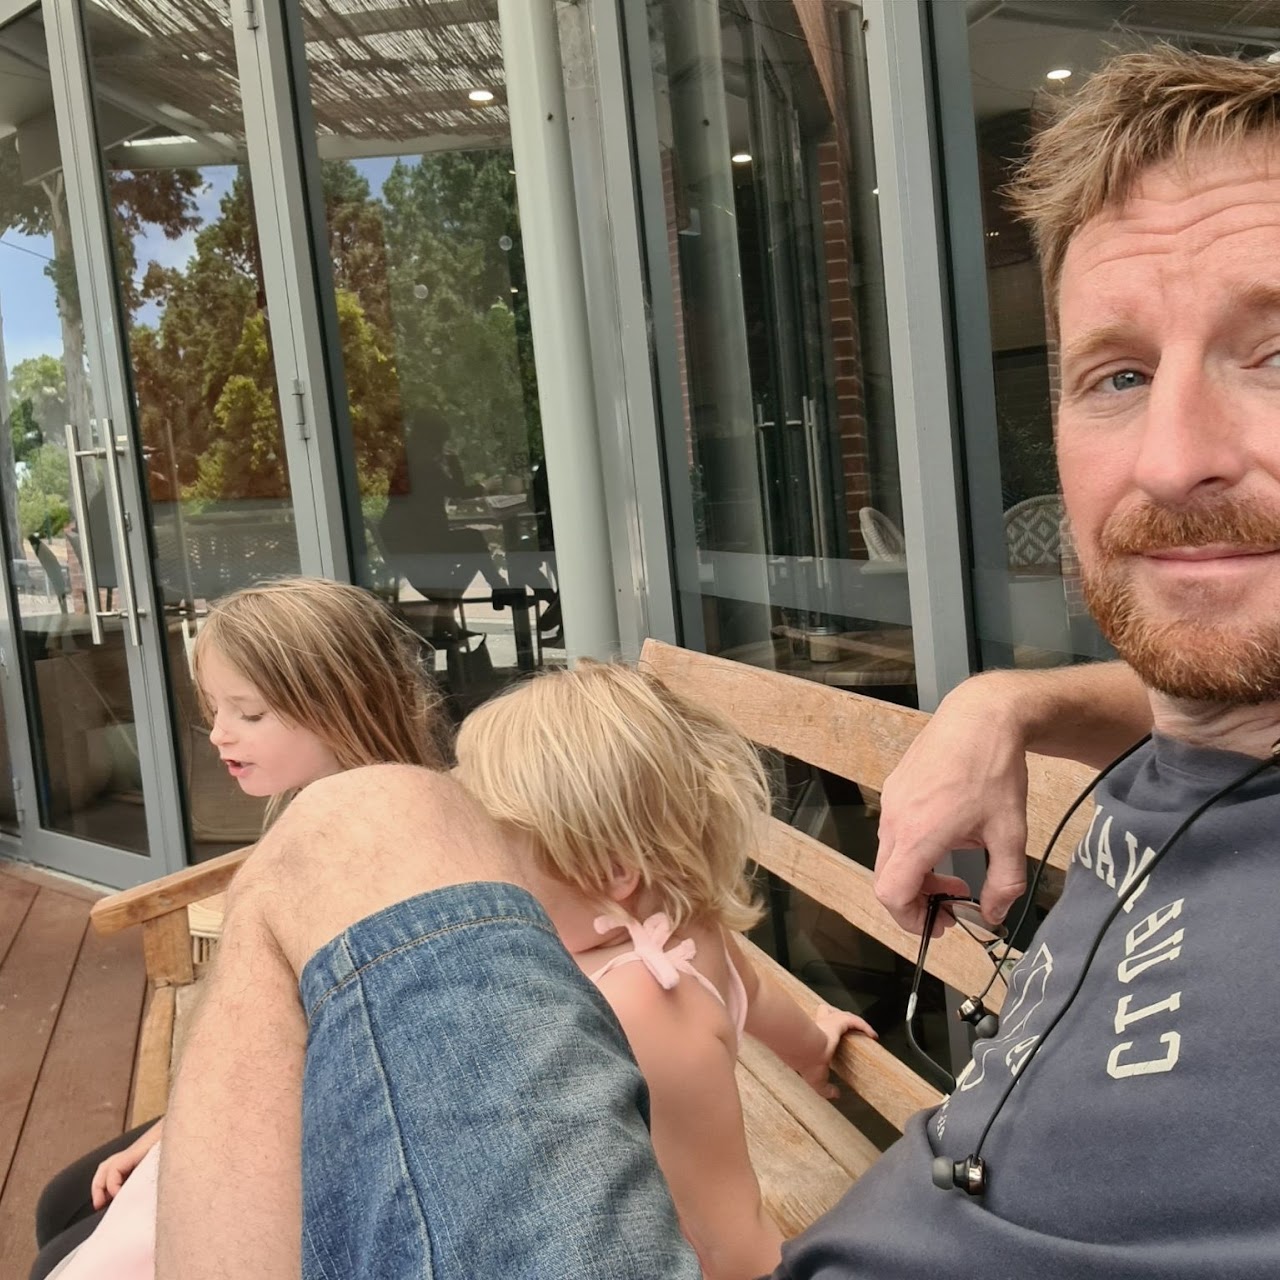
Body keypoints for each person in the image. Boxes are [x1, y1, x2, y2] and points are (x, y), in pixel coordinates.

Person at [154, 45, 1280, 1280]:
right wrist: (1003, 699)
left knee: (354, 828)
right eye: (1115, 374)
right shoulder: (1212, 720)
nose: (1172, 457)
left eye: (1270, 352)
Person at [30, 577, 446, 1280]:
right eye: (215, 708)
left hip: (328, 1134)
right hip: (275, 1090)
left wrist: (187, 1141)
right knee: (62, 1201)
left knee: (61, 1251)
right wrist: (174, 1129)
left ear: (343, 709)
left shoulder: (379, 851)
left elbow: (358, 1069)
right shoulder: (306, 808)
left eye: (248, 712)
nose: (219, 732)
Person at [453, 662, 874, 1278]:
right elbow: (751, 994)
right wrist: (812, 1047)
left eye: (496, 859)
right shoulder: (685, 925)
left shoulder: (642, 1005)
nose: (477, 880)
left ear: (606, 872)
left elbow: (723, 1227)